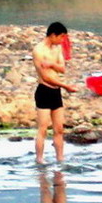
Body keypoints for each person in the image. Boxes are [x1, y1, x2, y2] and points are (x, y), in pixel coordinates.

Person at [33, 22, 78, 164]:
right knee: (43, 128)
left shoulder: (57, 49)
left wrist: (52, 64)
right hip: (44, 90)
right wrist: (65, 86)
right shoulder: (39, 50)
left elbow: (62, 68)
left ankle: (60, 158)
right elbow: (46, 77)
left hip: (56, 91)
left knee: (59, 128)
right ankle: (39, 159)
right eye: (61, 37)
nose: (62, 41)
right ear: (53, 35)